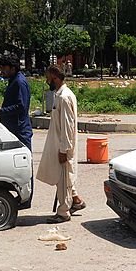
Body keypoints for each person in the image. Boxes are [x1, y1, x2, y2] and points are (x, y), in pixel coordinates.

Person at [37, 65, 84, 223]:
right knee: (66, 176)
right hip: (60, 143)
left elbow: (67, 126)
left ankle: (63, 212)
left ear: (55, 77)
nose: (47, 80)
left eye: (48, 77)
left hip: (64, 145)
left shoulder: (64, 97)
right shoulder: (60, 95)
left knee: (63, 178)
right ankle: (76, 200)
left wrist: (64, 149)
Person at [0, 53, 33, 149]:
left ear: (12, 68)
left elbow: (21, 106)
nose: (1, 71)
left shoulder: (19, 82)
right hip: (12, 129)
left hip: (19, 131)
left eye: (4, 68)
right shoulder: (13, 80)